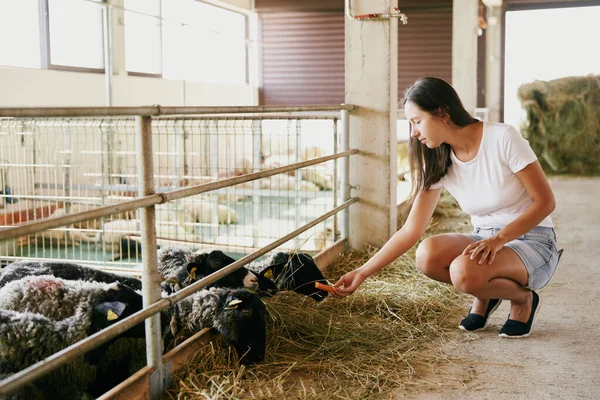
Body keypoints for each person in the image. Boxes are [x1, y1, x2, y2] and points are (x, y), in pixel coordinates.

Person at [332, 77, 561, 338]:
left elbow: (545, 202)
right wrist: (362, 272)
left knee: (463, 272)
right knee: (427, 255)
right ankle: (486, 292)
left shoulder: (503, 137)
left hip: (531, 239)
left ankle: (522, 299)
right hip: (484, 239)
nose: (413, 133)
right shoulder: (438, 158)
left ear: (442, 113)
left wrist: (499, 240)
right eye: (410, 124)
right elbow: (410, 230)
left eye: (417, 121)